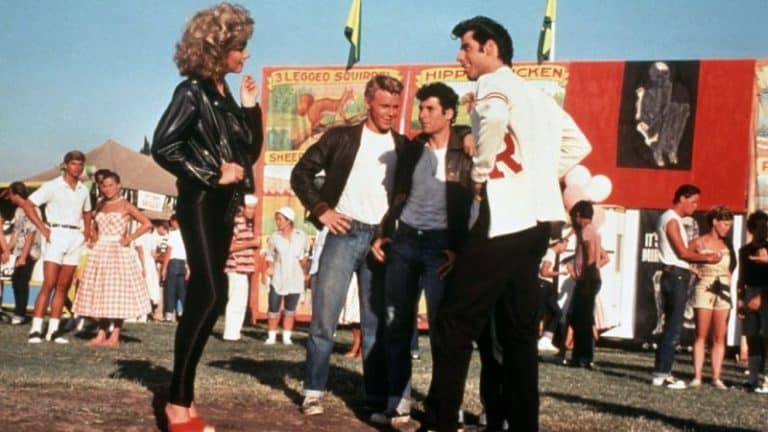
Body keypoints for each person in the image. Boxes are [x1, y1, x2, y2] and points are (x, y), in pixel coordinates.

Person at [424, 17, 592, 431]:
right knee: (519, 334)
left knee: (454, 322)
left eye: (466, 47)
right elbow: (579, 144)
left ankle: (439, 423)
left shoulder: (492, 83)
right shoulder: (538, 96)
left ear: (491, 49)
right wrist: (538, 176)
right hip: (537, 224)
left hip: (501, 218)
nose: (459, 56)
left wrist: (482, 171)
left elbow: (496, 116)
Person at [151, 3, 263, 430]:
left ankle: (183, 399)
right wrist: (213, 173)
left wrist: (250, 108)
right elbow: (164, 146)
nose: (246, 54)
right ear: (218, 49)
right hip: (200, 201)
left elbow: (248, 151)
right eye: (240, 47)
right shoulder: (191, 91)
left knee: (207, 296)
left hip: (222, 205)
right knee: (212, 294)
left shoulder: (223, 92)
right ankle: (177, 402)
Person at [290, 74, 407, 416]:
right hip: (343, 233)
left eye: (395, 107)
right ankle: (313, 391)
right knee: (324, 319)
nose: (390, 113)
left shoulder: (403, 146)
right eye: (384, 106)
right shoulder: (340, 137)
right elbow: (301, 173)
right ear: (368, 102)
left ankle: (376, 398)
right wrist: (322, 210)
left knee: (375, 325)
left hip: (380, 241)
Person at [369, 82, 473, 426]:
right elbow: (398, 196)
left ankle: (446, 407)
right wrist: (385, 233)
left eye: (430, 109)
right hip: (406, 241)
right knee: (397, 323)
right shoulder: (413, 149)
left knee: (444, 330)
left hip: (442, 247)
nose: (422, 115)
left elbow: (471, 205)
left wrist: (458, 248)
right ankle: (397, 404)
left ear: (449, 114)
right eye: (421, 108)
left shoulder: (464, 151)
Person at [17, 150, 93, 344]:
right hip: (56, 234)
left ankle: (53, 331)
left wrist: (86, 231)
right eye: (74, 163)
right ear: (65, 165)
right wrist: (43, 228)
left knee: (63, 286)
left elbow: (87, 212)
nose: (77, 167)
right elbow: (28, 204)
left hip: (75, 237)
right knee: (49, 284)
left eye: (80, 164)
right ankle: (36, 329)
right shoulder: (52, 185)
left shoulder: (83, 190)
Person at [652, 184, 722, 390]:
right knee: (673, 327)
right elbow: (682, 252)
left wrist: (691, 268)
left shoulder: (672, 219)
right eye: (693, 201)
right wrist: (708, 258)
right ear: (682, 198)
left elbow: (677, 256)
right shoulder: (671, 220)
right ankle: (663, 373)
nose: (695, 206)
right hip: (676, 276)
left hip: (675, 272)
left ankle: (661, 372)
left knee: (670, 325)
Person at [72, 172, 153, 347]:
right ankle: (101, 334)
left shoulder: (125, 204)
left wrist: (129, 238)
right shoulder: (100, 204)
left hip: (118, 252)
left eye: (110, 185)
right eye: (104, 186)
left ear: (118, 186)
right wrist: (94, 237)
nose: (107, 189)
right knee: (101, 292)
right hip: (100, 251)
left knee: (117, 293)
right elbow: (94, 226)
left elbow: (147, 224)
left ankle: (115, 335)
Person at [686, 206, 736, 388]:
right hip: (704, 286)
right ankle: (697, 376)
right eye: (725, 224)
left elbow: (732, 266)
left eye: (730, 225)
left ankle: (716, 377)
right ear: (714, 222)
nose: (727, 229)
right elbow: (681, 256)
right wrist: (694, 270)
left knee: (719, 336)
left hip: (723, 288)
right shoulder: (699, 242)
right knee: (701, 334)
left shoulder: (728, 244)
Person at [567, 201, 609, 368]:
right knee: (583, 319)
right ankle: (582, 357)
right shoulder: (592, 231)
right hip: (591, 278)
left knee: (582, 320)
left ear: (578, 215)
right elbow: (602, 256)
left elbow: (590, 257)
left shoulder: (586, 231)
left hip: (587, 280)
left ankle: (582, 357)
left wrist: (585, 278)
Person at [264, 206, 309, 345]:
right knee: (273, 307)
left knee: (290, 308)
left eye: (280, 219)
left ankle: (286, 337)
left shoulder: (301, 236)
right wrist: (270, 268)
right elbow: (270, 255)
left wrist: (305, 272)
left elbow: (305, 255)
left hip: (295, 276)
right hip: (278, 276)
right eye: (276, 219)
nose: (277, 222)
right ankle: (271, 336)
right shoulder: (274, 237)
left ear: (289, 221)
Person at [222, 194, 260, 342]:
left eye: (253, 209)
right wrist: (251, 243)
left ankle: (235, 333)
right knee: (235, 301)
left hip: (244, 268)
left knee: (241, 302)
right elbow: (229, 246)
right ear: (242, 208)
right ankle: (230, 334)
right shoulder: (236, 223)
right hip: (235, 267)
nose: (252, 211)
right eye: (249, 208)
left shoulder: (249, 224)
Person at [738, 210, 768, 393]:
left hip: (767, 293)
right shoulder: (744, 251)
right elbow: (742, 277)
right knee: (752, 336)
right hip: (750, 292)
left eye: (767, 227)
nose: (765, 230)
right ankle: (752, 378)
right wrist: (740, 299)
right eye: (761, 227)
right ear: (752, 229)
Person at [4, 182, 42, 325]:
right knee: (16, 280)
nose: (9, 197)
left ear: (16, 194)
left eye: (10, 194)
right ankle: (19, 311)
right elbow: (16, 233)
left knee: (22, 281)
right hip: (19, 251)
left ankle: (20, 314)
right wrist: (7, 250)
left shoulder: (32, 209)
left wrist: (24, 257)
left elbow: (31, 234)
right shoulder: (18, 211)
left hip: (30, 251)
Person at [537, 238, 570, 354]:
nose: (565, 249)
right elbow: (544, 272)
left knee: (556, 312)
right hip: (543, 284)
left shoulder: (551, 253)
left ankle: (546, 339)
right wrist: (560, 273)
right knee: (541, 313)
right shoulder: (550, 253)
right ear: (559, 243)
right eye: (565, 246)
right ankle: (538, 339)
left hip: (547, 285)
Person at [162, 215, 188, 322]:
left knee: (170, 289)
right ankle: (182, 313)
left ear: (175, 221)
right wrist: (188, 267)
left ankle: (169, 314)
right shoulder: (187, 234)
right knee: (182, 290)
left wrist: (164, 267)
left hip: (173, 262)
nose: (170, 224)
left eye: (171, 222)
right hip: (183, 263)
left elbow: (169, 251)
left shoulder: (173, 234)